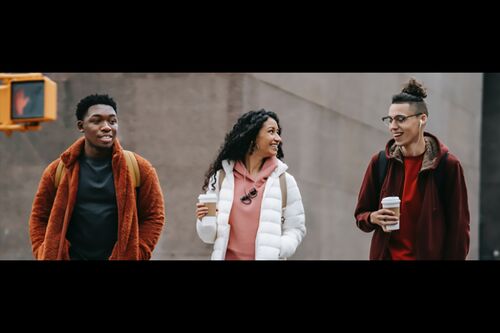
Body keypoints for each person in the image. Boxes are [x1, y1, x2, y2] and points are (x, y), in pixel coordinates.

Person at [29, 94, 165, 260]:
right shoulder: (58, 169)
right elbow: (39, 217)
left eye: (112, 121)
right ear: (81, 126)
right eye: (97, 121)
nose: (106, 127)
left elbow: (154, 216)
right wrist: (44, 251)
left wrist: (137, 253)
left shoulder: (139, 168)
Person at [354, 78, 470, 260]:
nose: (393, 126)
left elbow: (459, 231)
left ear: (422, 119)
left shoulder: (447, 166)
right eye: (390, 120)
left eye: (401, 119)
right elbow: (360, 215)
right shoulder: (380, 162)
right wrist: (372, 217)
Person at [195, 109, 306, 260]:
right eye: (271, 132)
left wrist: (278, 249)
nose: (278, 138)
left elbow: (296, 228)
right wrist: (204, 221)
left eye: (278, 132)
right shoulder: (221, 178)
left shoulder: (284, 181)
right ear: (252, 136)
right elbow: (208, 237)